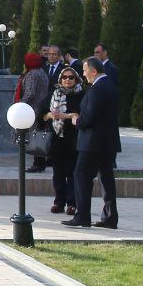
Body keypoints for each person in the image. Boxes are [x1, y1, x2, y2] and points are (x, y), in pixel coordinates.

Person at [62, 57, 121, 229]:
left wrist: (77, 121)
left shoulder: (97, 89)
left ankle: (82, 216)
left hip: (93, 143)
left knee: (81, 176)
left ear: (94, 71)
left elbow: (90, 116)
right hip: (108, 143)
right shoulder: (110, 86)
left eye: (85, 70)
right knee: (106, 179)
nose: (83, 73)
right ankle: (110, 218)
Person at [38, 64, 83, 215]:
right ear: (60, 79)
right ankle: (59, 202)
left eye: (71, 77)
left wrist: (66, 116)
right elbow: (42, 113)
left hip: (73, 139)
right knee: (57, 173)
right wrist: (50, 115)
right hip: (56, 138)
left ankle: (72, 203)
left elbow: (81, 114)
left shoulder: (80, 94)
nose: (68, 80)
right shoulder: (54, 93)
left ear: (76, 79)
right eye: (65, 77)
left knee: (71, 172)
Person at [15, 53, 49, 173]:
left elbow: (30, 93)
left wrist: (19, 104)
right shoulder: (41, 72)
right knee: (38, 135)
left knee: (35, 136)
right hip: (41, 108)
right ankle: (40, 162)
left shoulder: (32, 74)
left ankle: (38, 163)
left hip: (33, 109)